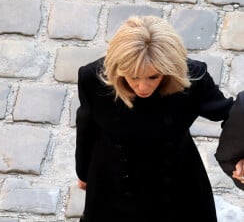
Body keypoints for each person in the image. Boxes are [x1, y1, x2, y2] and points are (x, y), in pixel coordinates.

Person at [75, 15, 244, 222]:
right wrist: (83, 172)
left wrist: (240, 155)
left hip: (175, 183)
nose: (143, 87)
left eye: (153, 77)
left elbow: (230, 113)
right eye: (133, 77)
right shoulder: (94, 79)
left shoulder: (191, 79)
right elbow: (86, 126)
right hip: (113, 182)